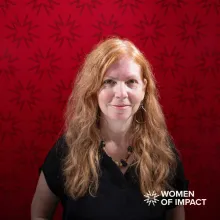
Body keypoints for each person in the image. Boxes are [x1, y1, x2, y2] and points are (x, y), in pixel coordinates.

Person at [31, 37, 189, 220]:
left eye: (131, 81)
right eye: (109, 82)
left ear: (144, 88)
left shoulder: (163, 149)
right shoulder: (68, 147)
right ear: (93, 88)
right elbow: (39, 214)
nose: (121, 94)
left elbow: (176, 216)